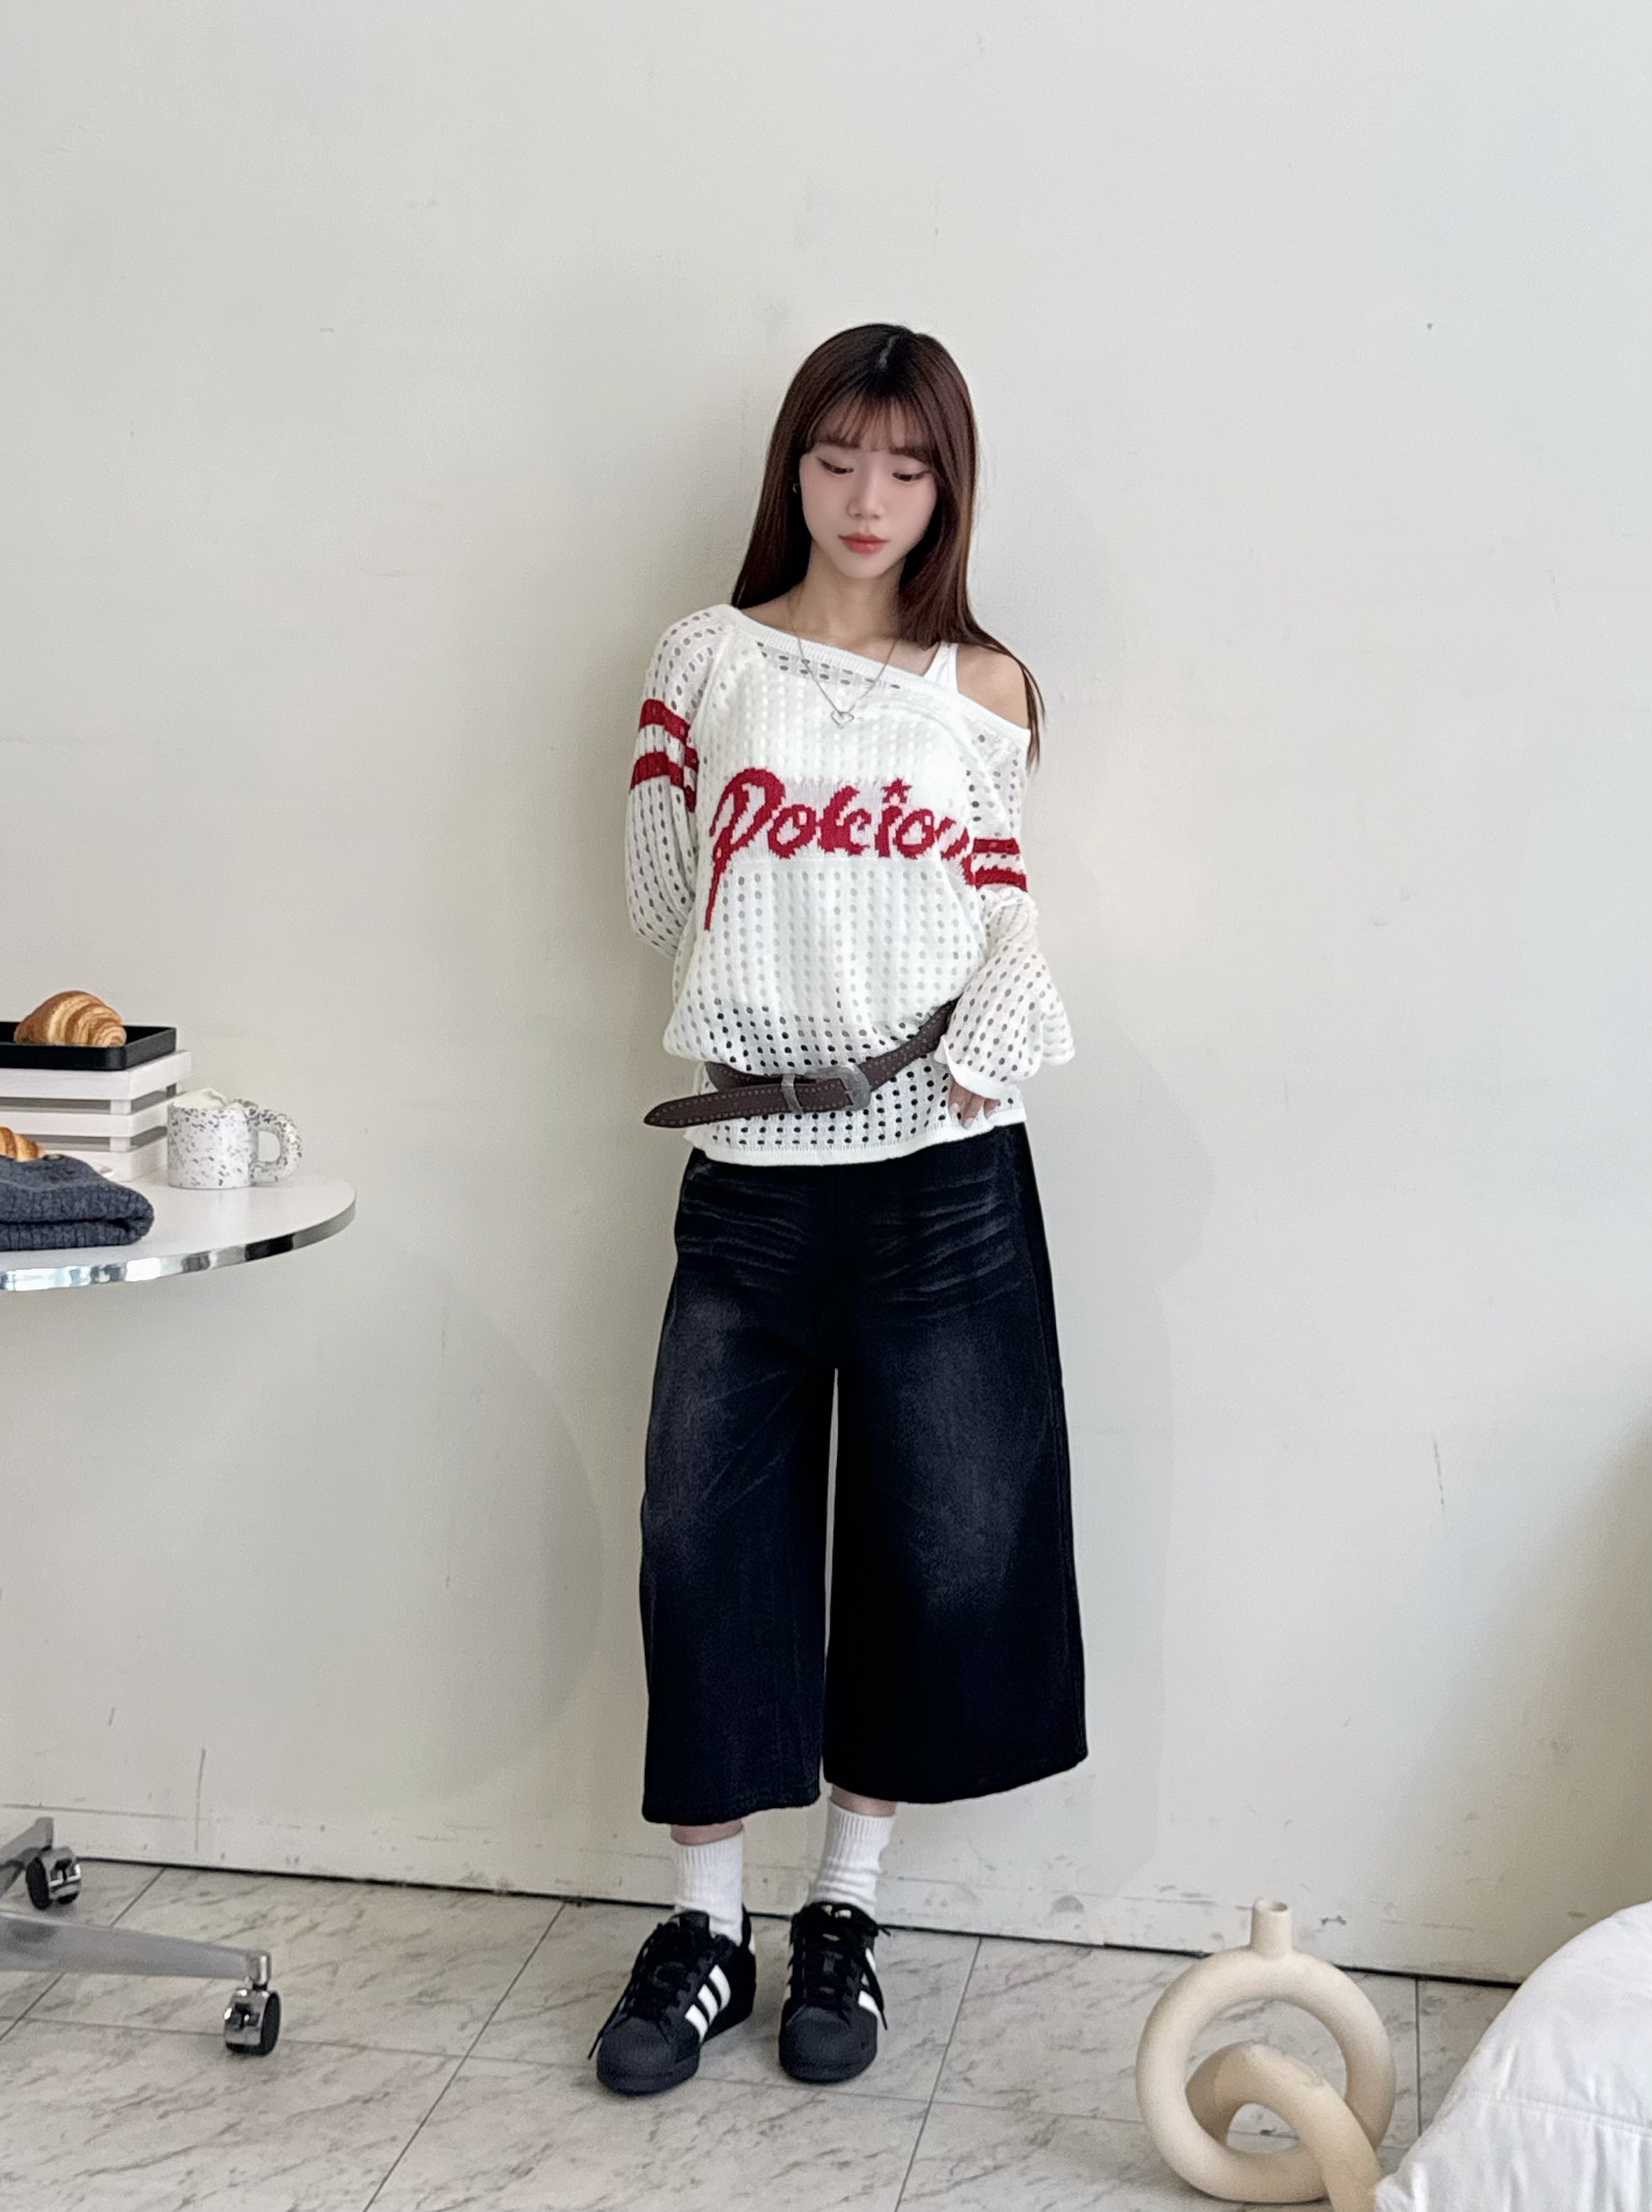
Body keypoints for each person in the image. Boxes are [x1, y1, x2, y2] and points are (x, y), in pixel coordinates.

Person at [591, 324, 1085, 2097]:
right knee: (700, 1535)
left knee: (937, 1539)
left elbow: (1003, 907)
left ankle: (844, 1909)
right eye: (835, 458)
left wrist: (964, 1063)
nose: (867, 497)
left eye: (907, 465)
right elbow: (663, 896)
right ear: (789, 467)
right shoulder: (704, 658)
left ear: (948, 485)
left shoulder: (986, 685)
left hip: (945, 1173)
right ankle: (705, 1928)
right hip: (751, 1170)